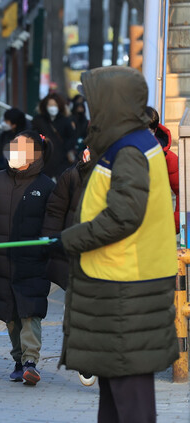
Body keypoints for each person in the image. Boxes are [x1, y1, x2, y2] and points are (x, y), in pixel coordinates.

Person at [57, 67, 178, 422]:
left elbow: (125, 215)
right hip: (121, 278)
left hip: (126, 282)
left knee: (130, 393)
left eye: (95, 101)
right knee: (115, 390)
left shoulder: (130, 149)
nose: (91, 110)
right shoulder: (131, 142)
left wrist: (72, 237)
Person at [0, 130, 54, 386]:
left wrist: (43, 246)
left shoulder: (44, 186)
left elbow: (53, 222)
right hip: (1, 262)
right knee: (10, 316)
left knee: (30, 312)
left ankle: (31, 361)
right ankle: (19, 360)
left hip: (32, 262)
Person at [41, 151, 90, 290]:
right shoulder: (72, 175)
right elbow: (55, 211)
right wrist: (50, 242)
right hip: (73, 251)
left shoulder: (121, 172)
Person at [146, 106, 180, 233]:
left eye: (147, 132)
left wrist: (173, 224)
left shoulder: (168, 159)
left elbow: (183, 193)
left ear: (154, 130)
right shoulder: (122, 152)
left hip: (155, 231)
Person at [32, 92, 77, 177]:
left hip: (61, 162)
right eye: (50, 105)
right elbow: (32, 135)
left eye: (55, 105)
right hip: (43, 161)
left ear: (59, 106)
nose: (53, 108)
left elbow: (72, 138)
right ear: (45, 106)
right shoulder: (38, 120)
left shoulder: (65, 121)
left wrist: (64, 149)